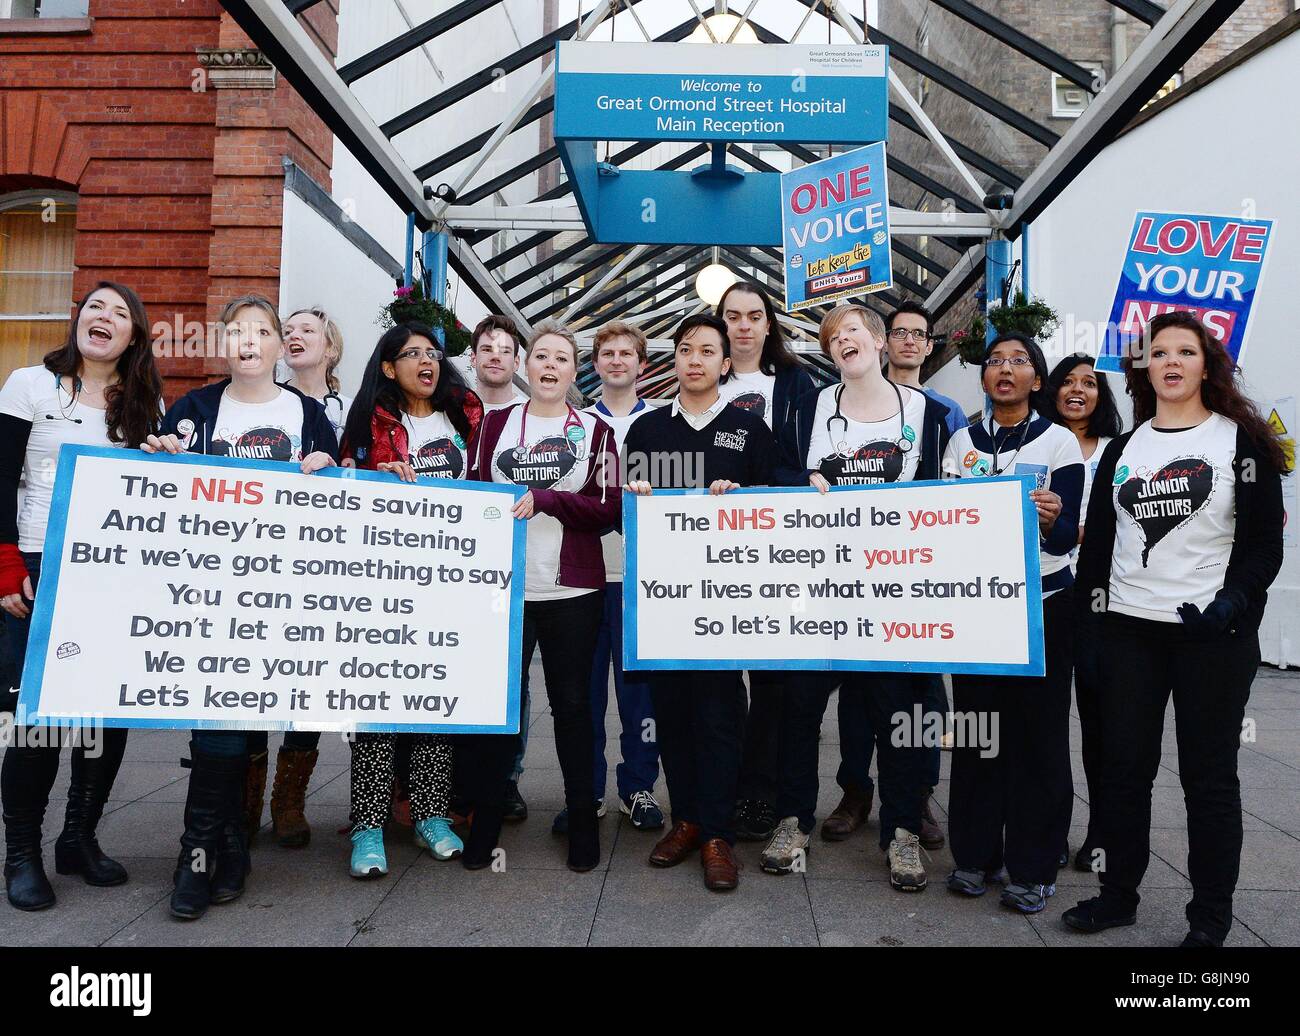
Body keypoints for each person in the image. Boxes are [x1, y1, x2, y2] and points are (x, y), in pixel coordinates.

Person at [1065, 312, 1284, 947]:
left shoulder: (1239, 443)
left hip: (1212, 638)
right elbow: (1100, 550)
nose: (1171, 362)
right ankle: (1116, 897)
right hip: (1131, 634)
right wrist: (1093, 628)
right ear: (1145, 368)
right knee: (1123, 771)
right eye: (1158, 352)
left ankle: (1210, 918)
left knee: (1208, 778)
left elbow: (1263, 546)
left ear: (1206, 365)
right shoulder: (1124, 449)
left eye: (1186, 351)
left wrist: (1232, 604)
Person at [142, 293, 339, 920]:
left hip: (285, 597)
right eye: (236, 332)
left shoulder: (310, 416)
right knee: (219, 729)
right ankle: (201, 852)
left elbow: (337, 507)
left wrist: (328, 469)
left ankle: (231, 844)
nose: (249, 341)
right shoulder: (193, 410)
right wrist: (159, 465)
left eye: (262, 331)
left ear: (281, 348)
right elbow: (160, 505)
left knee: (253, 720)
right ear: (222, 346)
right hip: (211, 597)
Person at [765, 303, 952, 890]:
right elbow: (779, 475)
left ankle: (900, 833)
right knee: (798, 710)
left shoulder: (926, 413)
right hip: (817, 589)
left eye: (853, 330)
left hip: (892, 592)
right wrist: (803, 481)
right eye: (831, 336)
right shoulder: (810, 408)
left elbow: (943, 496)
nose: (843, 340)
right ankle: (793, 819)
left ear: (878, 341)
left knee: (897, 713)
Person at [1, 282, 163, 911]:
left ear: (133, 337)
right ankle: (22, 854)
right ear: (79, 322)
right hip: (36, 563)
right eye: (96, 306)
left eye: (120, 314)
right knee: (38, 719)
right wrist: (6, 562)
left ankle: (78, 838)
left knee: (106, 711)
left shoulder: (144, 407)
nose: (105, 317)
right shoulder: (28, 385)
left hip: (112, 575)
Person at [624, 313, 776, 891]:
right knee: (674, 715)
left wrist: (744, 498)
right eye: (685, 349)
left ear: (723, 361)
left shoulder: (749, 430)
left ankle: (717, 832)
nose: (694, 360)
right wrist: (634, 496)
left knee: (718, 716)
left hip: (724, 605)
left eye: (707, 351)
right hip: (662, 600)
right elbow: (624, 513)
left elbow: (773, 514)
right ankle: (686, 817)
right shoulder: (646, 430)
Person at [465, 321, 619, 873]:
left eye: (561, 358)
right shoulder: (493, 426)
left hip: (572, 588)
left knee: (574, 708)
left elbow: (609, 508)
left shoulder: (597, 432)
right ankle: (483, 825)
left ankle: (582, 821)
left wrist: (548, 498)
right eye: (541, 356)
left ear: (573, 370)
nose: (550, 366)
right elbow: (473, 494)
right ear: (527, 367)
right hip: (505, 588)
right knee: (501, 707)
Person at [941, 331, 1083, 913]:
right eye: (995, 361)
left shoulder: (1059, 445)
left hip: (1045, 606)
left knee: (1038, 738)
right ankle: (974, 856)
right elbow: (941, 526)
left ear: (1036, 379)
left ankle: (1033, 864)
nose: (1005, 369)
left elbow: (1070, 531)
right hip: (977, 609)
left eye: (1019, 362)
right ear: (983, 377)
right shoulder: (959, 443)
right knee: (977, 733)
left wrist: (1052, 515)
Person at [338, 322, 483, 878]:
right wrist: (368, 473)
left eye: (432, 353)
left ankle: (430, 815)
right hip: (383, 587)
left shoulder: (467, 418)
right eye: (411, 354)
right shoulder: (366, 425)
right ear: (388, 367)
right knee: (376, 709)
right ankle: (369, 826)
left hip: (451, 585)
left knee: (434, 702)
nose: (426, 360)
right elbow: (341, 490)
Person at [715, 280, 816, 842]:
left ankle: (763, 793)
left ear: (770, 323)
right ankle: (722, 789)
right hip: (716, 554)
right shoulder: (706, 377)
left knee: (776, 683)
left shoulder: (796, 383)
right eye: (734, 316)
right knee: (722, 682)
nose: (745, 326)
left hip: (779, 554)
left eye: (755, 315)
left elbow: (798, 464)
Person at [560, 320, 663, 834]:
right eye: (607, 353)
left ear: (642, 364)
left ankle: (638, 785)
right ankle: (586, 790)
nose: (617, 361)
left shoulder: (664, 424)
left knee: (639, 694)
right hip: (584, 576)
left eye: (627, 353)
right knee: (582, 692)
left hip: (641, 579)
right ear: (594, 364)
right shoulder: (572, 425)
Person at [1047, 352, 1123, 870]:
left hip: (1102, 600)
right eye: (1068, 382)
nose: (1078, 390)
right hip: (1051, 594)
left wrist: (1085, 534)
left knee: (1100, 720)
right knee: (1049, 723)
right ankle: (1048, 833)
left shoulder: (1120, 450)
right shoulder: (1040, 443)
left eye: (1089, 383)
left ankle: (1102, 832)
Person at [466, 314, 528, 822]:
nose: (494, 356)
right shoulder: (453, 413)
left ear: (517, 361)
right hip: (455, 567)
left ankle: (506, 778)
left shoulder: (530, 417)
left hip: (515, 567)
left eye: (504, 349)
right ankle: (446, 781)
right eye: (487, 347)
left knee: (513, 677)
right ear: (473, 356)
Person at [283, 306, 352, 444]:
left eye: (307, 330)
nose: (293, 335)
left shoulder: (351, 410)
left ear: (331, 349)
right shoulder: (268, 401)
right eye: (287, 332)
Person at [469, 314, 527, 412]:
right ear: (473, 358)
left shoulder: (528, 415)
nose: (495, 357)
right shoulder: (453, 413)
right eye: (487, 349)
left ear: (516, 363)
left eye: (505, 351)